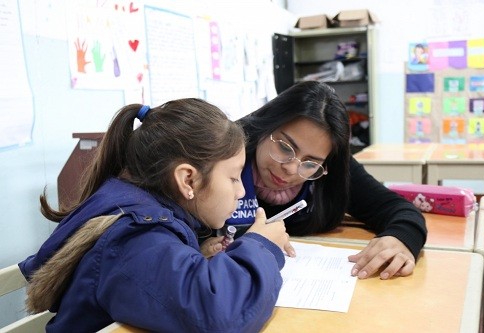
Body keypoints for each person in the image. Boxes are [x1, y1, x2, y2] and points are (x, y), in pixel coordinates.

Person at [18, 99, 289, 332]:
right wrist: (262, 245)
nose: (241, 191)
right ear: (188, 180)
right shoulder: (136, 238)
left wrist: (197, 254)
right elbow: (220, 316)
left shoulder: (137, 211)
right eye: (232, 178)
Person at [209, 81, 427, 280]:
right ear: (266, 126)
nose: (291, 168)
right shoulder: (223, 156)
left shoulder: (331, 169)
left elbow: (397, 208)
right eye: (285, 148)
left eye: (311, 163)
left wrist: (402, 238)